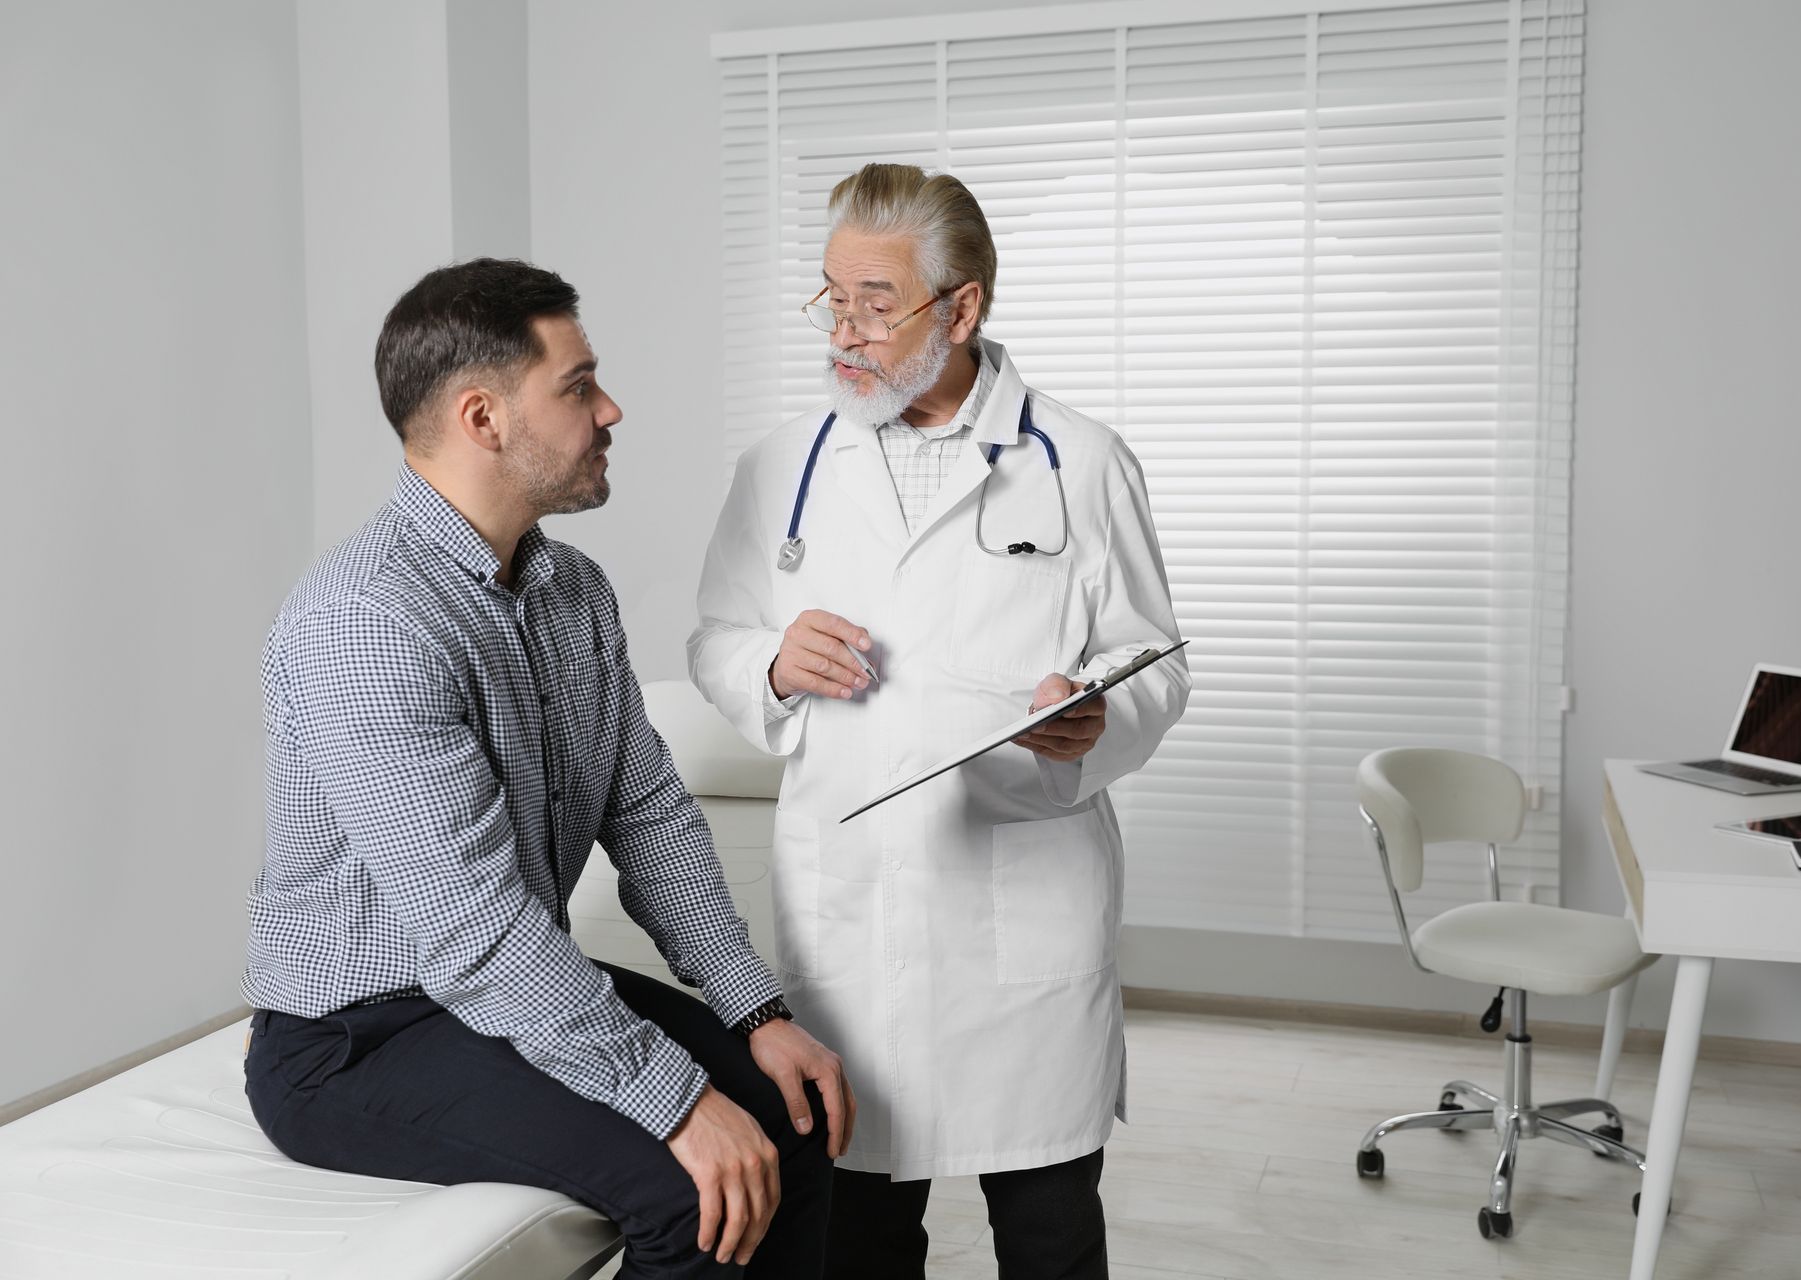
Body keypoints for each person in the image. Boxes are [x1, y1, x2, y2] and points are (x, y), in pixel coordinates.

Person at [243, 258, 851, 1279]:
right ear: (482, 417)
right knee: (689, 1181)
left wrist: (756, 1008)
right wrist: (674, 1099)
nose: (610, 407)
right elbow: (476, 929)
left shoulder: (571, 589)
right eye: (577, 386)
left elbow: (648, 808)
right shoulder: (367, 622)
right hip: (358, 1040)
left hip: (487, 995)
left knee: (785, 1117)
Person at [688, 164, 1190, 1280]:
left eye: (877, 300)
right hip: (852, 908)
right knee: (860, 1227)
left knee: (1050, 1226)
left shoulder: (1082, 460)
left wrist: (1094, 715)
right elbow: (715, 639)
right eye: (832, 296)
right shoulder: (781, 466)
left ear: (962, 308)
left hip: (1022, 899)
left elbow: (1152, 664)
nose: (845, 329)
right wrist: (771, 660)